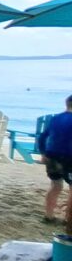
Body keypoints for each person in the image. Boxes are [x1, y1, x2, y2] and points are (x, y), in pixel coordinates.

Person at [41, 95, 72, 223]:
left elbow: (42, 137)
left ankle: (49, 216)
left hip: (52, 155)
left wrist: (43, 153)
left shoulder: (55, 119)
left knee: (55, 186)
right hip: (69, 157)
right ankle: (68, 219)